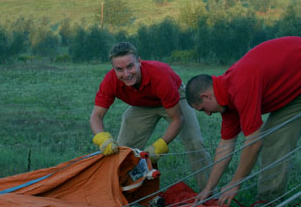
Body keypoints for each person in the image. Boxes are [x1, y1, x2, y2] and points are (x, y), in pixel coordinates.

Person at [185, 36, 301, 207]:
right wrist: (209, 188)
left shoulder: (239, 85)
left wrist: (235, 183)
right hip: (296, 86)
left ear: (205, 96)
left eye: (203, 109)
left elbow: (253, 143)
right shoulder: (226, 104)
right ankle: (268, 201)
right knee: (273, 138)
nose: (207, 114)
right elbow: (225, 146)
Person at [90, 42, 211, 190]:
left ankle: (209, 194)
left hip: (175, 99)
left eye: (130, 66)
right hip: (142, 105)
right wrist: (102, 138)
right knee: (122, 150)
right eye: (119, 69)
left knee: (195, 143)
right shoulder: (110, 81)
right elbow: (96, 116)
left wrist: (159, 146)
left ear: (139, 61)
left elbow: (178, 119)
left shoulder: (160, 75)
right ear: (113, 69)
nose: (126, 74)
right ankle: (121, 192)